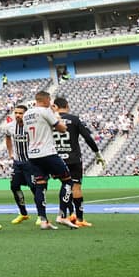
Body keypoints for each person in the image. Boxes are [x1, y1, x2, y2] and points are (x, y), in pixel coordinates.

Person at [22, 90, 73, 230]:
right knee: (68, 180)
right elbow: (63, 129)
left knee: (40, 185)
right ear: (45, 100)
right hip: (48, 153)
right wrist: (56, 113)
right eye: (49, 100)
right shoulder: (46, 111)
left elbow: (28, 132)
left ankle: (43, 220)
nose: (50, 103)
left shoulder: (27, 114)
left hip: (33, 154)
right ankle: (62, 216)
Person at [54, 96, 105, 227]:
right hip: (73, 158)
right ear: (67, 105)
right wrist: (97, 153)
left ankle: (66, 214)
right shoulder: (74, 119)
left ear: (55, 106)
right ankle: (80, 219)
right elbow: (88, 138)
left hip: (56, 158)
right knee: (76, 187)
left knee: (65, 185)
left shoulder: (51, 120)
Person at [2, 103, 39, 225]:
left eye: (20, 113)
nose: (17, 115)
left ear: (26, 114)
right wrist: (10, 152)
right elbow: (7, 137)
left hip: (31, 163)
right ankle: (23, 213)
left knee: (35, 188)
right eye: (16, 113)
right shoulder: (10, 127)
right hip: (18, 162)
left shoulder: (31, 126)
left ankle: (41, 215)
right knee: (14, 186)